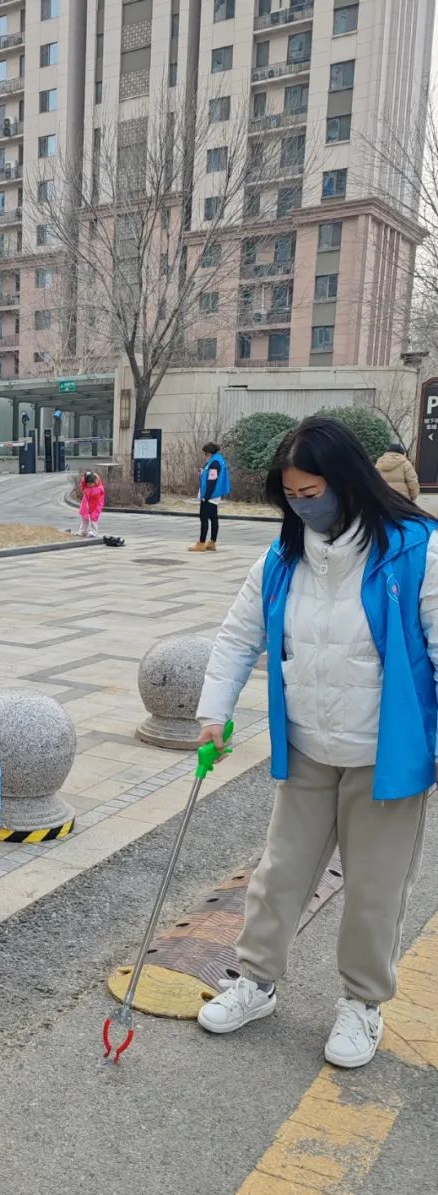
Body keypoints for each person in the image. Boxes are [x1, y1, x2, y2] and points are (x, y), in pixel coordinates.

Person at [194, 416, 438, 1069]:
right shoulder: (283, 558)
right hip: (307, 746)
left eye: (313, 492)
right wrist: (213, 714)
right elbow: (237, 637)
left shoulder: (415, 550)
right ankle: (255, 981)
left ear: (347, 480)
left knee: (375, 889)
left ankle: (362, 1004)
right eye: (292, 496)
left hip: (385, 756)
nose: (304, 506)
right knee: (279, 874)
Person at [190, 441, 232, 553]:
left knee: (204, 518)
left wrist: (206, 496)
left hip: (211, 495)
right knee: (213, 518)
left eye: (205, 453)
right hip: (214, 495)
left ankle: (201, 543)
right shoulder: (217, 460)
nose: (205, 456)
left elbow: (211, 481)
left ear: (208, 453)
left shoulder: (214, 463)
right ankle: (212, 542)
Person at [78, 470, 105, 538]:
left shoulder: (100, 489)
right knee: (84, 518)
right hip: (86, 505)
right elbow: (82, 486)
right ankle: (83, 531)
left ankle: (93, 532)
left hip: (95, 506)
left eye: (90, 484)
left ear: (94, 482)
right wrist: (84, 478)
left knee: (93, 519)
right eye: (88, 484)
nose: (89, 485)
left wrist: (97, 510)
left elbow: (100, 502)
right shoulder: (86, 487)